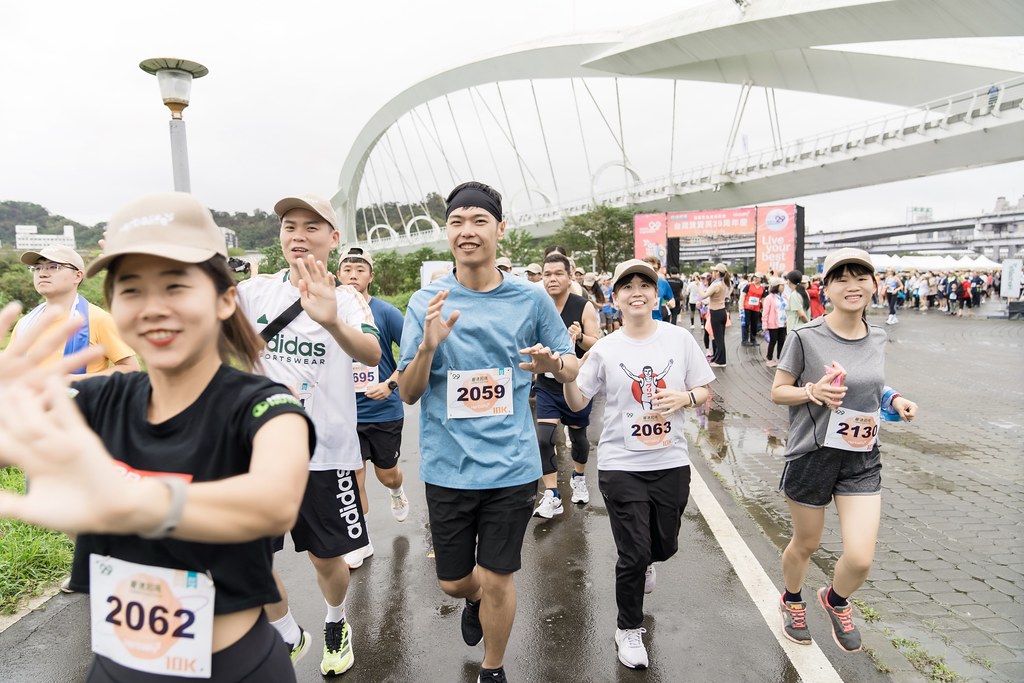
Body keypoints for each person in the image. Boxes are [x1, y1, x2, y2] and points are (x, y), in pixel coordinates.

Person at [6, 192, 313, 682]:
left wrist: (129, 498)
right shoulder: (96, 400)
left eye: (175, 286)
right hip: (116, 667)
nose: (152, 308)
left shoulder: (265, 405)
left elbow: (272, 503)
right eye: (131, 290)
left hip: (236, 668)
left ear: (225, 299)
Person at [397, 181, 578, 683]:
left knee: (500, 577)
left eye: (479, 221)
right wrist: (428, 348)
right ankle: (472, 598)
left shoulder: (531, 298)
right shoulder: (426, 302)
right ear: (447, 231)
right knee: (455, 582)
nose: (467, 231)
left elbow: (570, 365)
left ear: (500, 229)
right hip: (448, 467)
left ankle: (493, 669)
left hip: (511, 465)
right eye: (457, 222)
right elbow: (408, 392)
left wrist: (553, 364)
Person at [237, 195, 382, 676]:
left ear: (333, 238)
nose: (298, 235)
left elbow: (371, 353)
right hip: (261, 454)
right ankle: (285, 631)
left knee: (327, 559)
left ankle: (336, 620)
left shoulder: (348, 299)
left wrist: (331, 320)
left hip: (325, 454)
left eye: (312, 227)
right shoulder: (254, 292)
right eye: (290, 226)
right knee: (245, 556)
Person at [562, 258, 715, 670]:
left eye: (644, 285)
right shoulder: (605, 348)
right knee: (632, 552)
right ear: (615, 298)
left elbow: (704, 388)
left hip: (670, 460)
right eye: (627, 286)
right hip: (620, 463)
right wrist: (565, 375)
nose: (636, 292)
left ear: (655, 293)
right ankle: (628, 628)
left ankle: (649, 559)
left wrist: (685, 398)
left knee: (664, 545)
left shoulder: (679, 339)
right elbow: (578, 401)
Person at [770, 247, 918, 655]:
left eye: (861, 278)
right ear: (827, 289)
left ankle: (835, 599)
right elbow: (778, 391)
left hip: (861, 456)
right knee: (806, 544)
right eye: (842, 279)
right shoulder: (805, 337)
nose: (852, 286)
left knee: (860, 558)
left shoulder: (878, 335)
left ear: (874, 285)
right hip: (812, 456)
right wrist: (811, 391)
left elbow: (872, 385)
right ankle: (792, 599)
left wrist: (895, 399)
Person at [336, 246, 410, 570]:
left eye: (360, 270)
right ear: (338, 275)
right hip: (345, 413)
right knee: (354, 478)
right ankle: (360, 540)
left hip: (383, 412)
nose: (353, 275)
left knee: (386, 475)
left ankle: (397, 490)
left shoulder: (386, 312)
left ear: (371, 276)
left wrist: (391, 383)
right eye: (347, 270)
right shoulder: (328, 313)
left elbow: (413, 352)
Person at [533, 252, 600, 518]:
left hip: (576, 383)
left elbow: (596, 343)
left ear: (570, 276)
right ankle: (552, 494)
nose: (552, 279)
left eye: (558, 273)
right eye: (547, 274)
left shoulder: (583, 306)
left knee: (579, 439)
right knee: (544, 438)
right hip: (547, 384)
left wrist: (580, 336)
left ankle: (579, 477)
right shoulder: (537, 305)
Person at [11, 245, 139, 379]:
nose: (42, 273)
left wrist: (72, 380)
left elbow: (131, 369)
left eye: (53, 267)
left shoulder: (98, 319)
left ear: (77, 276)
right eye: (37, 268)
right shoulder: (25, 324)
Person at [705, 263, 731, 367]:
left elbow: (704, 295)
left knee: (718, 339)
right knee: (719, 338)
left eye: (714, 271)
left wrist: (697, 285)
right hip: (721, 311)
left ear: (717, 273)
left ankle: (721, 361)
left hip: (716, 312)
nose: (712, 273)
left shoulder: (717, 284)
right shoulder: (723, 283)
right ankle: (717, 358)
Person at [762, 277, 787, 368]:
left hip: (783, 323)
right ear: (776, 286)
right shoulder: (769, 298)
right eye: (781, 285)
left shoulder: (784, 296)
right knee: (772, 341)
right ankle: (769, 358)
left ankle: (780, 358)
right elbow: (765, 312)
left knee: (782, 341)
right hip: (773, 323)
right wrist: (764, 324)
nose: (783, 287)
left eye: (783, 285)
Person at [642, 256, 675, 323]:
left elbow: (671, 300)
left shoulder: (663, 283)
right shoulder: (636, 283)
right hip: (639, 322)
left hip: (657, 321)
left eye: (655, 269)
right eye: (649, 268)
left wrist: (671, 303)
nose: (652, 271)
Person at [741, 273, 765, 346]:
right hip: (747, 307)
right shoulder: (749, 285)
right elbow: (743, 295)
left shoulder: (762, 288)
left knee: (754, 324)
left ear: (760, 279)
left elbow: (763, 299)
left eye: (757, 277)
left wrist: (764, 309)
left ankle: (753, 339)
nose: (755, 279)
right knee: (746, 324)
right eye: (755, 277)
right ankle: (744, 340)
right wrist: (741, 306)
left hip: (756, 308)